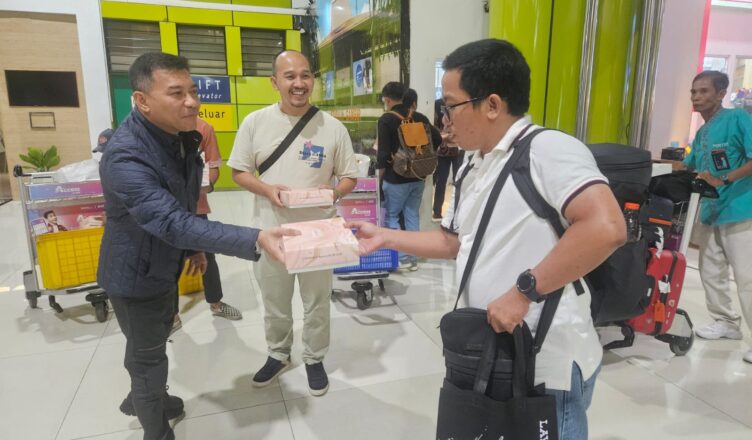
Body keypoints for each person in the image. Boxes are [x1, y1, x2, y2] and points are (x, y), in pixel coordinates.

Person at [348, 39, 626, 439]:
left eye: (450, 105)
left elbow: (606, 227)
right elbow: (453, 243)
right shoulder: (473, 163)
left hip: (543, 361)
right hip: (493, 352)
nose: (444, 118)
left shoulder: (548, 149)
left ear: (492, 104)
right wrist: (385, 236)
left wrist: (523, 292)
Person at [98, 52, 296, 440]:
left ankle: (149, 398)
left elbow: (184, 201)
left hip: (162, 264)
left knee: (152, 342)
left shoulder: (178, 138)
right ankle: (155, 428)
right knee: (147, 359)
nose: (192, 102)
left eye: (193, 91)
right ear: (142, 101)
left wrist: (193, 248)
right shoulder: (126, 154)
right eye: (177, 93)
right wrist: (254, 237)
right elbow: (169, 221)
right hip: (134, 276)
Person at [228, 50, 359, 396]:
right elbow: (239, 171)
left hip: (319, 232)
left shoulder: (332, 127)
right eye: (290, 76)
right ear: (275, 82)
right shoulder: (255, 122)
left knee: (317, 301)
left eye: (305, 75)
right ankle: (278, 353)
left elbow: (349, 176)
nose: (298, 83)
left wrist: (334, 193)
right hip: (271, 231)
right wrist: (267, 190)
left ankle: (314, 357)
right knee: (275, 300)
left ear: (313, 80)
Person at [683, 70, 752, 364]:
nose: (697, 97)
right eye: (694, 92)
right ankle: (726, 322)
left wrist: (723, 180)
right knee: (711, 271)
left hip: (740, 208)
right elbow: (689, 165)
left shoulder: (738, 119)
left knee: (747, 277)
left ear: (721, 94)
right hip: (711, 211)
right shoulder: (702, 133)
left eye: (704, 91)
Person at [171, 117, 242, 335]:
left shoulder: (204, 128)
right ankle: (171, 314)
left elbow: (213, 165)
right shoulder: (158, 125)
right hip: (166, 207)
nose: (188, 103)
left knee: (207, 255)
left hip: (196, 205)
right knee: (169, 259)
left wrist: (207, 185)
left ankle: (216, 303)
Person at [376, 82, 442, 271]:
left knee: (392, 216)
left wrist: (379, 177)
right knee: (412, 214)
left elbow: (383, 154)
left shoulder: (386, 119)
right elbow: (437, 138)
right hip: (418, 176)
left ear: (387, 99)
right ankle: (412, 258)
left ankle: (401, 258)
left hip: (395, 178)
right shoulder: (419, 117)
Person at [431, 98, 464, 222]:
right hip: (446, 149)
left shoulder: (459, 105)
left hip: (456, 149)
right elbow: (436, 126)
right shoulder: (439, 105)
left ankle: (454, 213)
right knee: (443, 181)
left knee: (458, 181)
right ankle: (438, 212)